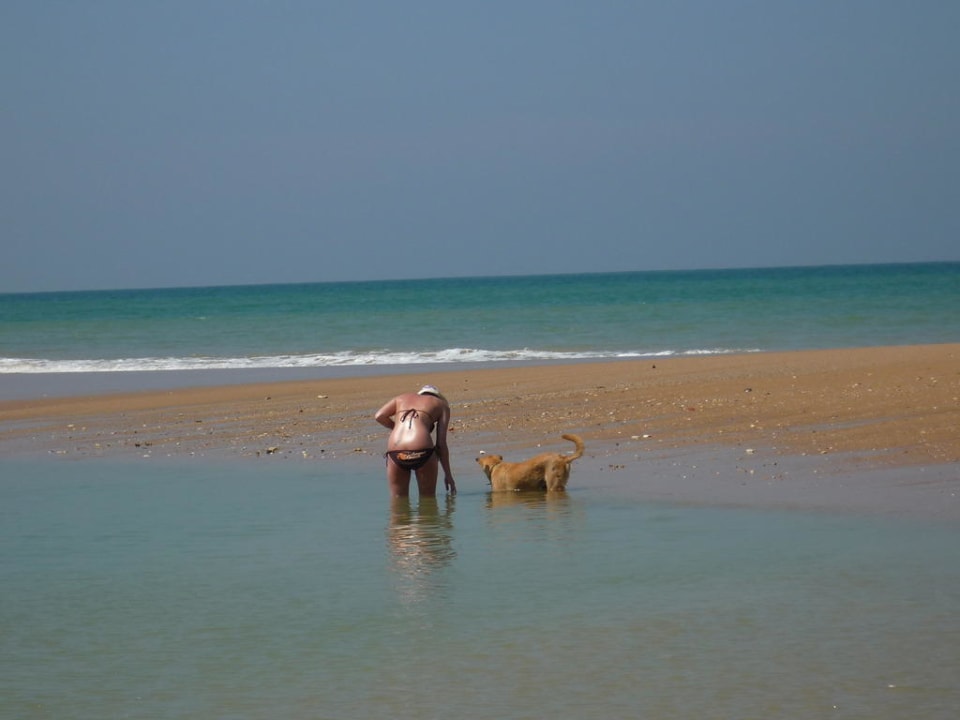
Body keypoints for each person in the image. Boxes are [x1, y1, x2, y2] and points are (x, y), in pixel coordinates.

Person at [375, 385, 456, 498]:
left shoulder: (401, 398)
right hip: (423, 452)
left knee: (398, 502)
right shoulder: (441, 405)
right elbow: (441, 444)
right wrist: (448, 475)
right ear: (438, 396)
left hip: (396, 452)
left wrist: (396, 427)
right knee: (427, 500)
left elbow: (379, 416)